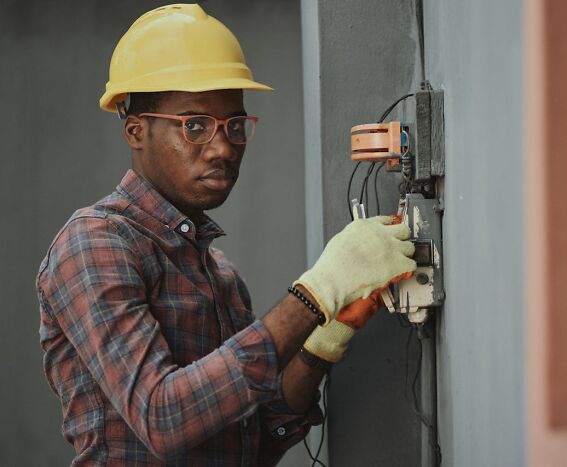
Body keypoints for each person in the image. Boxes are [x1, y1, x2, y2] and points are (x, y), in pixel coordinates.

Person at [35, 4, 416, 466]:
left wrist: (324, 338)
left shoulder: (221, 276)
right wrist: (316, 293)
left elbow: (256, 443)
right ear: (137, 131)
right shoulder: (95, 245)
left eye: (234, 125)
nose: (222, 147)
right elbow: (165, 419)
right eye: (194, 126)